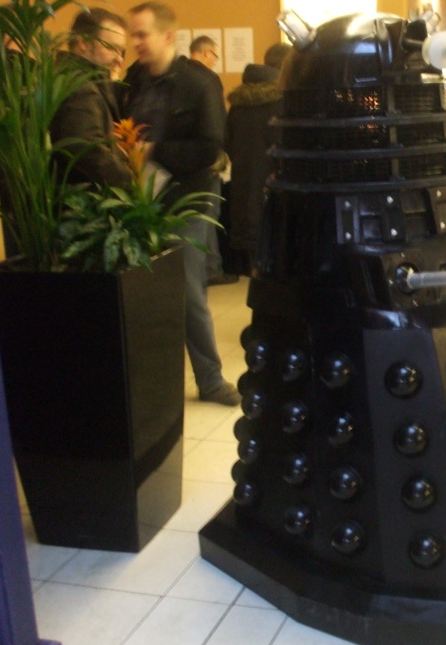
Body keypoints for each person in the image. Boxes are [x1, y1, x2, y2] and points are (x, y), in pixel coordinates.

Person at [120, 1, 241, 406]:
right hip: (141, 198)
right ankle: (151, 381)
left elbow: (210, 146)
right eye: (133, 34)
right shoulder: (134, 78)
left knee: (188, 292)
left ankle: (210, 380)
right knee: (143, 291)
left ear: (168, 35)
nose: (135, 42)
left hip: (186, 198)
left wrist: (156, 150)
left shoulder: (199, 83)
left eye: (142, 34)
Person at [224, 42, 289, 273]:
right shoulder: (283, 102)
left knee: (255, 259)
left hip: (243, 188)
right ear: (285, 66)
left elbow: (228, 143)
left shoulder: (238, 104)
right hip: (274, 189)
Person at [49, 7, 131, 189]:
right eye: (112, 48)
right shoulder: (80, 86)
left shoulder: (71, 79)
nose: (119, 59)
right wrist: (130, 179)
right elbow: (87, 150)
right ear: (82, 43)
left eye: (122, 51)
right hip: (85, 197)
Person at [187, 35, 238, 286]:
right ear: (206, 52)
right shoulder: (208, 80)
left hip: (185, 161)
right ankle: (211, 268)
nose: (215, 61)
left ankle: (200, 269)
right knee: (209, 213)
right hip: (207, 159)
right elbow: (217, 122)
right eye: (215, 56)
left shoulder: (179, 76)